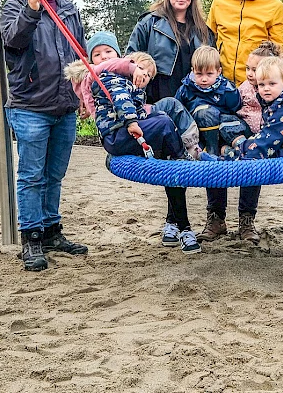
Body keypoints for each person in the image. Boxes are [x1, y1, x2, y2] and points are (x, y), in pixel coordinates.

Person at [1, 0, 88, 272]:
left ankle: (52, 231)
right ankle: (32, 238)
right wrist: (31, 11)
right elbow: (12, 43)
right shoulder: (15, 5)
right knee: (31, 176)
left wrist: (81, 94)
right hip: (30, 105)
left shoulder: (67, 7)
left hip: (64, 104)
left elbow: (78, 52)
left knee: (55, 174)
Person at [66, 49, 202, 255]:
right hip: (118, 134)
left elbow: (135, 107)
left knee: (168, 150)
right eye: (142, 70)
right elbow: (120, 98)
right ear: (128, 64)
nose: (144, 77)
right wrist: (131, 121)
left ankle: (180, 227)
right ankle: (183, 157)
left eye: (149, 76)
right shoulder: (113, 77)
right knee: (165, 123)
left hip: (125, 135)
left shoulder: (134, 88)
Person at [202, 0, 283, 243]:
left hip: (256, 95)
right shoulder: (219, 3)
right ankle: (216, 217)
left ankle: (247, 219)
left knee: (253, 151)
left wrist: (267, 88)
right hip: (222, 92)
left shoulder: (273, 6)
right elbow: (209, 46)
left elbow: (278, 53)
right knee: (215, 148)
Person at [200, 55, 283, 164]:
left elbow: (269, 139)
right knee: (252, 142)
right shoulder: (277, 102)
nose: (266, 89)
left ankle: (226, 163)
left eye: (272, 84)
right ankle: (227, 159)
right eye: (262, 85)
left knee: (256, 151)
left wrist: (246, 155)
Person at [126, 0, 214, 105]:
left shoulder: (204, 31)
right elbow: (130, 58)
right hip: (156, 97)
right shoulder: (149, 24)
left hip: (193, 98)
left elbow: (213, 64)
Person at [175, 46, 249, 155]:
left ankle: (244, 149)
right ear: (193, 70)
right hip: (198, 131)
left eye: (209, 74)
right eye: (199, 74)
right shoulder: (186, 89)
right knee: (205, 113)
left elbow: (236, 108)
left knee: (229, 122)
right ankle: (211, 152)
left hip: (223, 128)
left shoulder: (227, 89)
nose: (204, 79)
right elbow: (178, 110)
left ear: (218, 71)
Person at [236, 41, 283, 135]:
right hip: (246, 129)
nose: (249, 74)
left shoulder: (275, 89)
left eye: (254, 70)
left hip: (268, 132)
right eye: (247, 68)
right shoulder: (245, 87)